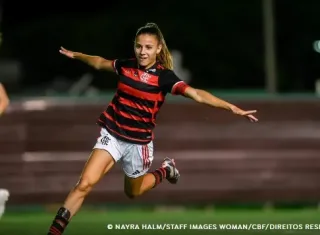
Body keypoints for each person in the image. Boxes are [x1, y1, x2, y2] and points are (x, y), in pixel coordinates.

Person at [47, 22, 258, 235]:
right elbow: (100, 63)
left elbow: (196, 94)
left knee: (133, 192)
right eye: (139, 46)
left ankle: (165, 170)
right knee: (84, 184)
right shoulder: (125, 66)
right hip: (112, 135)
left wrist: (231, 107)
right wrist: (78, 55)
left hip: (138, 145)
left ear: (158, 49)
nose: (142, 52)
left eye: (148, 47)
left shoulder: (164, 77)